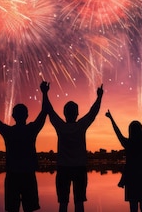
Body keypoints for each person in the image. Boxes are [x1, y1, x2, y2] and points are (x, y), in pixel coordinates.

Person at [0, 81, 49, 212]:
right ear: (27, 116)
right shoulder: (31, 130)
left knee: (12, 209)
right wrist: (44, 93)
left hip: (12, 176)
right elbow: (45, 112)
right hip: (28, 175)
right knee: (30, 208)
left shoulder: (9, 132)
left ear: (13, 116)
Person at [44, 83, 104, 212]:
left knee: (63, 203)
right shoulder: (81, 126)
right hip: (79, 168)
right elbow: (93, 113)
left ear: (64, 113)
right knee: (79, 202)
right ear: (77, 113)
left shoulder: (60, 126)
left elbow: (49, 110)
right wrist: (99, 97)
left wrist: (44, 93)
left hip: (63, 168)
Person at [105, 104, 142, 212]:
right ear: (141, 130)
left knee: (133, 208)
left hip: (131, 178)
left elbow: (117, 132)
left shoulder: (128, 144)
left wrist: (111, 118)